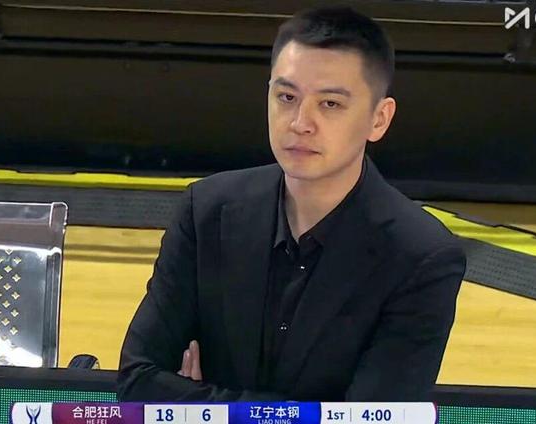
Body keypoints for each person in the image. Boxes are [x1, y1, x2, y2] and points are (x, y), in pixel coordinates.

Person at [117, 6, 466, 402]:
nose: (300, 122)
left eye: (330, 104)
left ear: (379, 119)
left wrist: (201, 402)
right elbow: (138, 383)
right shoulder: (206, 211)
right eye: (286, 97)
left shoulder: (421, 257)